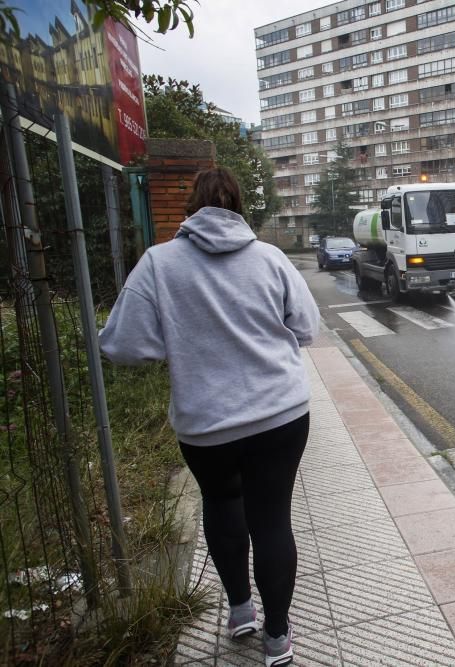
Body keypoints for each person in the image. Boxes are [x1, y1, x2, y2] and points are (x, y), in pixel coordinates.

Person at [99, 167, 319, 667]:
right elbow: (307, 328)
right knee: (272, 521)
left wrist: (179, 343)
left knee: (222, 505)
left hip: (206, 424)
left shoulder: (159, 264)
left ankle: (241, 613)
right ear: (239, 207)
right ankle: (278, 639)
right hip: (280, 415)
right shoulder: (270, 259)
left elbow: (121, 343)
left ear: (190, 210)